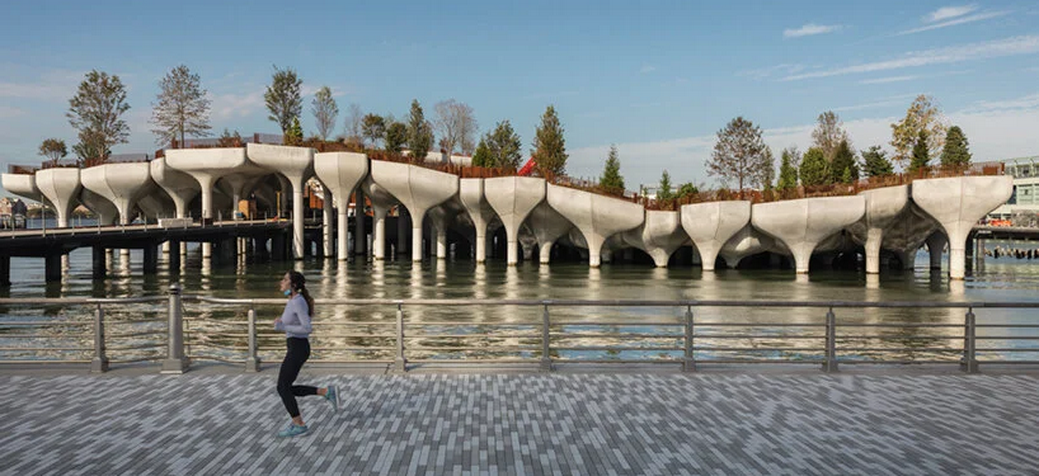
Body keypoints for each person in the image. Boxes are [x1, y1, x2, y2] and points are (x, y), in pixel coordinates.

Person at [274, 270, 339, 437]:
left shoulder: (297, 302)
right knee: (285, 388)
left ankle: (299, 425)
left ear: (293, 285)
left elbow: (307, 328)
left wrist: (283, 327)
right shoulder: (293, 300)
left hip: (299, 348)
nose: (281, 282)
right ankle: (325, 392)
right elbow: (294, 323)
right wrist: (282, 323)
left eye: (285, 279)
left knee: (282, 387)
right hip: (295, 347)